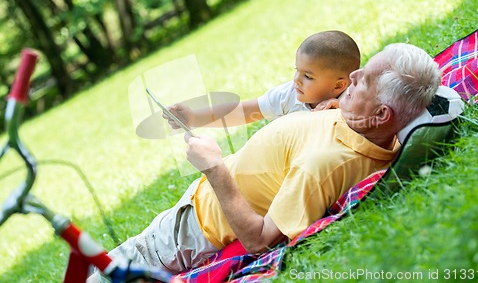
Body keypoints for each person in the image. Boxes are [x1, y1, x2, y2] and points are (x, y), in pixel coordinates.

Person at [89, 43, 441, 282]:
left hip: (191, 232)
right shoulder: (358, 122)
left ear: (381, 114)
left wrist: (213, 167)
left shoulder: (324, 164)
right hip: (194, 213)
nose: (352, 77)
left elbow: (260, 240)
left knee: (100, 274)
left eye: (364, 80)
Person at [165, 30, 360, 129]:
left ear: (339, 85)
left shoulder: (354, 98)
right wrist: (195, 118)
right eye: (297, 71)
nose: (296, 80)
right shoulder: (287, 96)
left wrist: (342, 108)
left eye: (308, 76)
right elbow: (243, 111)